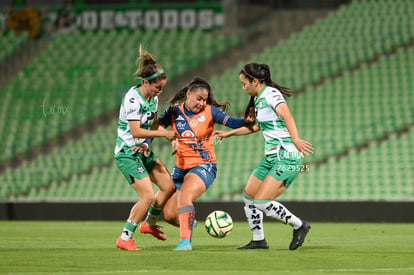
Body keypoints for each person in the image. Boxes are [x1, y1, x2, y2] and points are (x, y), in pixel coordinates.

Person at [214, 63, 314, 250]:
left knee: (261, 201)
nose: (243, 88)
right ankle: (259, 240)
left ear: (255, 81)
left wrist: (296, 139)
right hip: (271, 158)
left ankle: (299, 225)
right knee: (249, 197)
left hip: (287, 156)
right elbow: (258, 126)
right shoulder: (259, 99)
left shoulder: (271, 94)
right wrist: (228, 134)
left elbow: (287, 115)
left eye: (244, 84)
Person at [150, 77, 251, 251]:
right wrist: (168, 136)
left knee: (185, 195)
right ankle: (189, 221)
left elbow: (232, 122)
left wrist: (247, 121)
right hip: (180, 168)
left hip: (204, 165)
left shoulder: (210, 111)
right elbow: (155, 126)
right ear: (188, 94)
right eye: (199, 99)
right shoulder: (174, 111)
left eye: (204, 100)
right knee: (169, 214)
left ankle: (184, 242)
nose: (202, 103)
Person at [114, 46, 176, 251]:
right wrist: (163, 135)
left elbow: (153, 125)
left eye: (162, 87)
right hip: (128, 153)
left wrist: (168, 139)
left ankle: (148, 225)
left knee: (168, 186)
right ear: (146, 82)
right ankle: (125, 237)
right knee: (148, 196)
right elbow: (136, 130)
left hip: (142, 149)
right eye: (157, 87)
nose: (160, 91)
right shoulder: (133, 99)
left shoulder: (153, 98)